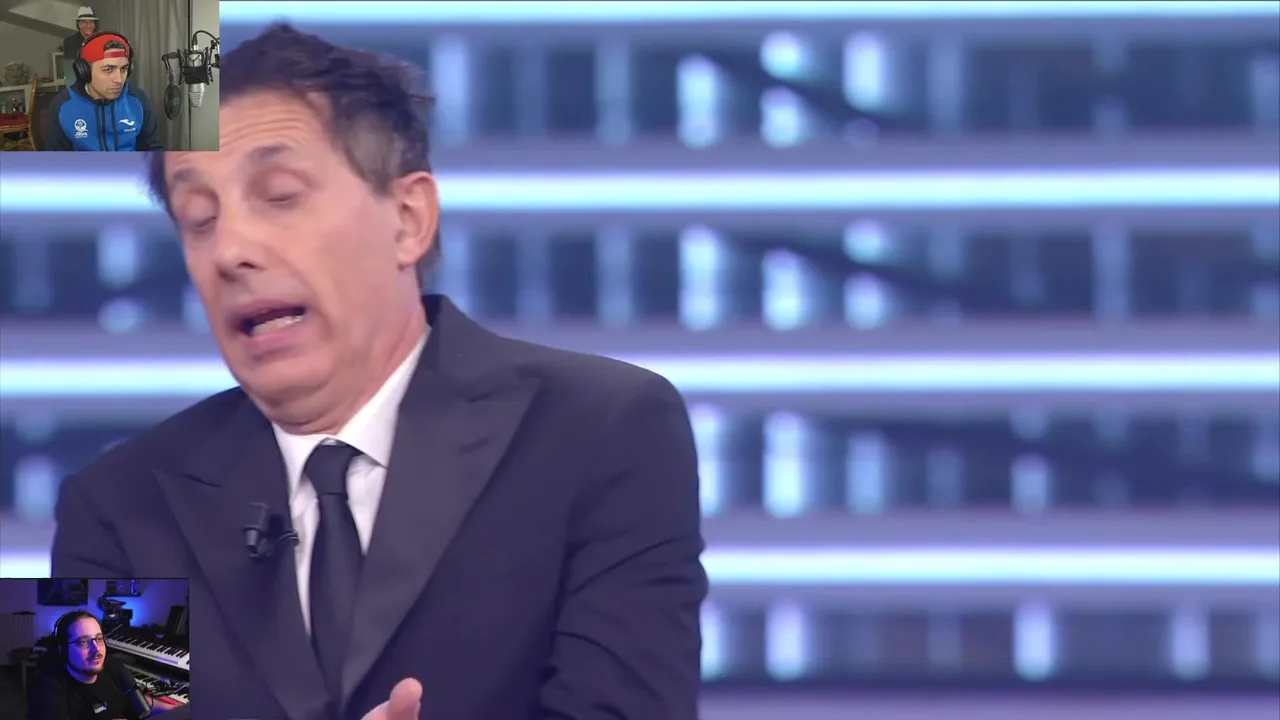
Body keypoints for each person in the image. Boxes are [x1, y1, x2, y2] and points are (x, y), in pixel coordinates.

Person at [51, 22, 706, 720]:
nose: (230, 249)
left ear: (408, 218)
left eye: (279, 195)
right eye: (199, 218)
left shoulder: (599, 432)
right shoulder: (118, 509)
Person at [44, 31, 162, 151]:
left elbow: (153, 151)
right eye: (108, 70)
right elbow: (57, 160)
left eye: (123, 69)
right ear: (85, 71)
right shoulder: (63, 105)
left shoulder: (138, 100)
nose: (119, 79)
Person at [26, 612, 145, 720]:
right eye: (83, 642)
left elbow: (142, 706)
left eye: (99, 639)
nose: (96, 649)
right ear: (62, 649)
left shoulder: (113, 667)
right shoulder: (47, 687)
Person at [59, 6, 97, 84]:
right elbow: (69, 70)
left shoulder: (98, 39)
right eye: (84, 22)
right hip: (78, 84)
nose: (89, 25)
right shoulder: (70, 41)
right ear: (79, 24)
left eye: (91, 22)